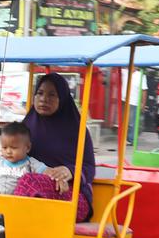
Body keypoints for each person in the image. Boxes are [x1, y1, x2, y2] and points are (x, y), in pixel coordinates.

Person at [10, 72, 95, 222]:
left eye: (52, 95)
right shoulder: (26, 126)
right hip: (31, 196)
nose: (44, 99)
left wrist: (70, 171)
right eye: (40, 93)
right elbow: (9, 153)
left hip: (71, 196)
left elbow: (89, 168)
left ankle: (11, 223)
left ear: (62, 99)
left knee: (30, 181)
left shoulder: (78, 130)